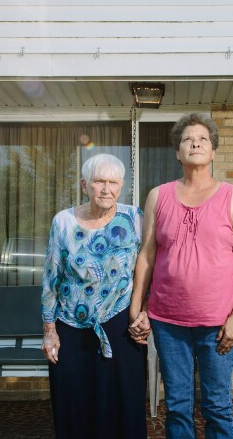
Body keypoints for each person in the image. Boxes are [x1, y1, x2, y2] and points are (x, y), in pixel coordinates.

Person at [129, 113, 233, 439]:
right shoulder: (159, 196)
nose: (195, 142)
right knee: (178, 406)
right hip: (168, 323)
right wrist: (136, 309)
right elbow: (146, 255)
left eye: (203, 139)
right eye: (188, 139)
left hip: (218, 324)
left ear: (213, 151)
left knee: (216, 406)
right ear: (177, 152)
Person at [41, 153, 147, 439]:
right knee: (74, 406)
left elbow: (148, 268)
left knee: (123, 404)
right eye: (99, 181)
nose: (106, 189)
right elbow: (52, 277)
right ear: (84, 185)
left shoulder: (134, 218)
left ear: (121, 185)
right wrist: (49, 330)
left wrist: (145, 309)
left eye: (113, 182)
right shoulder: (63, 221)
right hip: (71, 328)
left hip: (120, 325)